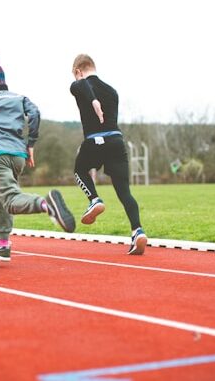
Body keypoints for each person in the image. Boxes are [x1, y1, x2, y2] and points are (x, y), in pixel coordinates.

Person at [0, 53, 76, 262]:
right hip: (18, 156)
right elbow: (35, 114)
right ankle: (2, 244)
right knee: (0, 196)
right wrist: (31, 144)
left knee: (11, 200)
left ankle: (46, 204)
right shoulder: (18, 97)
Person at [69, 54, 147, 255]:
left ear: (78, 72)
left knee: (79, 170)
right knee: (124, 192)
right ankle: (137, 230)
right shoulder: (112, 91)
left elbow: (83, 86)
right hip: (116, 141)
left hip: (95, 140)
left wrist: (93, 99)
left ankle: (94, 199)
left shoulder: (78, 85)